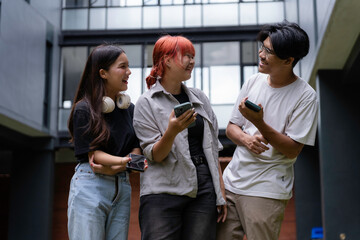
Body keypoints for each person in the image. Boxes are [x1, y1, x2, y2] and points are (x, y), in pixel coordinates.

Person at [216, 20, 319, 240]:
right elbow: (233, 127)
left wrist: (260, 123)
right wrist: (246, 139)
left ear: (288, 60)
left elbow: (292, 149)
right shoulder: (254, 81)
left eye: (268, 51)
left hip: (266, 189)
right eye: (262, 47)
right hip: (232, 183)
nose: (261, 54)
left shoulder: (306, 96)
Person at [133, 35, 227, 240]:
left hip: (203, 187)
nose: (192, 61)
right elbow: (154, 155)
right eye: (187, 56)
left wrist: (220, 193)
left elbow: (212, 149)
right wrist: (172, 131)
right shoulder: (146, 102)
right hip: (162, 190)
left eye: (193, 57)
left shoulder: (200, 98)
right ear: (166, 60)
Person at [67, 44, 144, 240]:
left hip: (122, 187)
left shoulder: (129, 109)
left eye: (128, 66)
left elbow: (137, 154)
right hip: (90, 184)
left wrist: (118, 166)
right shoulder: (83, 109)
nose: (129, 72)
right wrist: (125, 163)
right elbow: (94, 155)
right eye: (122, 66)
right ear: (103, 73)